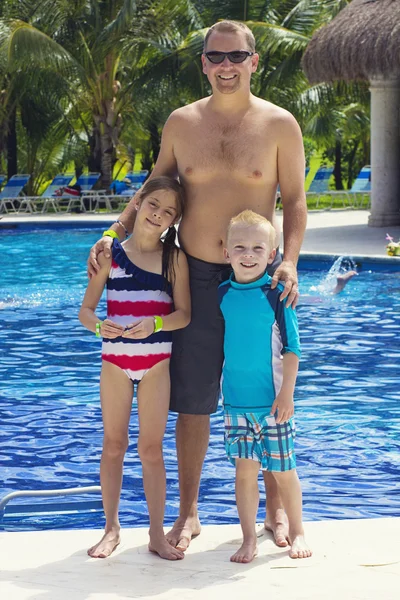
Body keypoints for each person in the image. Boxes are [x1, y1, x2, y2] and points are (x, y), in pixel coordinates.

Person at [87, 20, 308, 551]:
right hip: (193, 273)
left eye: (237, 56)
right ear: (204, 63)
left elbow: (296, 201)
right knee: (193, 399)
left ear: (254, 61)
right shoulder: (182, 123)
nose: (226, 66)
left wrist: (292, 262)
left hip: (257, 281)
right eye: (216, 57)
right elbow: (155, 187)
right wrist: (113, 232)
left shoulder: (280, 125)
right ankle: (188, 513)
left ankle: (275, 513)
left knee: (261, 394)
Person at [79, 176, 191, 560]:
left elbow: (184, 315)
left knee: (151, 449)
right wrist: (98, 326)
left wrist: (155, 324)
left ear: (174, 221)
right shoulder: (111, 255)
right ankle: (111, 528)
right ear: (139, 203)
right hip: (115, 363)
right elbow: (86, 310)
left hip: (156, 364)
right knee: (114, 445)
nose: (158, 215)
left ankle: (156, 534)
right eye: (153, 205)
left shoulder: (174, 259)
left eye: (168, 212)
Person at [219, 210, 311, 562]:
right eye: (239, 247)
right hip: (236, 405)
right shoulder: (222, 294)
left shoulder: (277, 294)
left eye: (258, 248)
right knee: (245, 474)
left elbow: (292, 349)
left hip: (274, 404)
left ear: (271, 255)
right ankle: (248, 538)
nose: (248, 254)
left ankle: (299, 528)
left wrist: (287, 393)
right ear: (226, 253)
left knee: (284, 472)